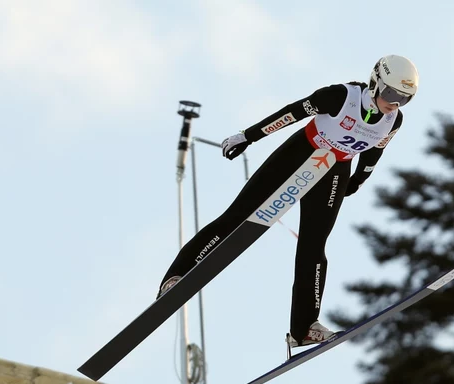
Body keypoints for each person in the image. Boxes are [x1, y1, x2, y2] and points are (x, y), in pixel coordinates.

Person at [157, 54, 419, 349]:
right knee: (237, 217)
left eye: (404, 99)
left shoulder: (394, 120)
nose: (395, 103)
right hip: (301, 153)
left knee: (314, 244)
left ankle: (305, 327)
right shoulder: (339, 96)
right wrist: (248, 136)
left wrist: (358, 179)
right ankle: (178, 276)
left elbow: (373, 151)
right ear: (375, 83)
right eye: (391, 94)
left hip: (334, 169)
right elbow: (291, 114)